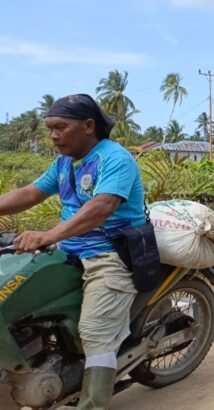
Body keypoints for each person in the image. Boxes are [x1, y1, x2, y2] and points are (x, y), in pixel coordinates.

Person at [0, 94, 146, 409]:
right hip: (69, 250)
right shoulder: (65, 163)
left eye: (60, 127)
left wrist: (48, 234)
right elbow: (30, 193)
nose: (54, 135)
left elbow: (101, 207)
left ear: (88, 126)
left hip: (109, 256)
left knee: (95, 334)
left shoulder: (115, 159)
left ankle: (92, 403)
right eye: (50, 129)